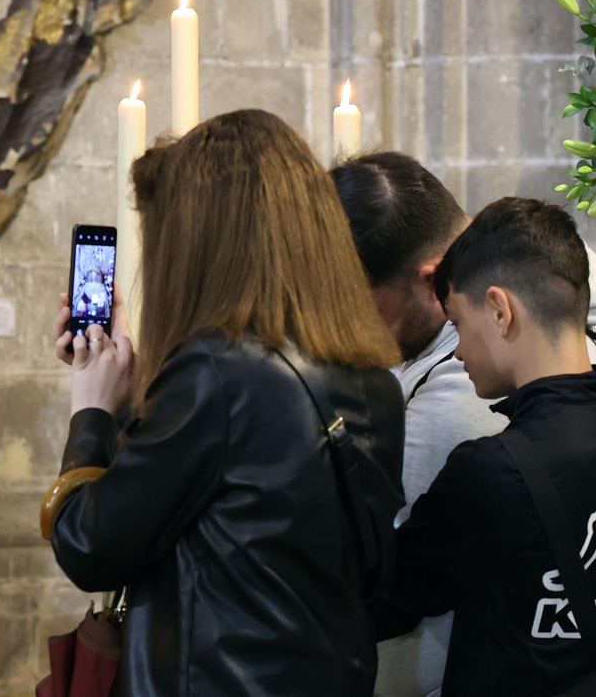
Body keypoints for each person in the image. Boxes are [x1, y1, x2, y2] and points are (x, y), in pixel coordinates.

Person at [43, 109, 405, 697]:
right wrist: (136, 394)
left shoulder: (216, 373)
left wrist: (92, 413)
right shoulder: (375, 382)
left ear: (202, 244)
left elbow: (89, 546)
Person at [374, 197, 596, 697]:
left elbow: (380, 600)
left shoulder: (493, 473)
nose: (457, 350)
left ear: (500, 310)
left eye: (457, 323)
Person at [331, 154, 494, 697]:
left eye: (355, 306)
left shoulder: (459, 392)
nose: (343, 327)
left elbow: (367, 586)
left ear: (431, 283)